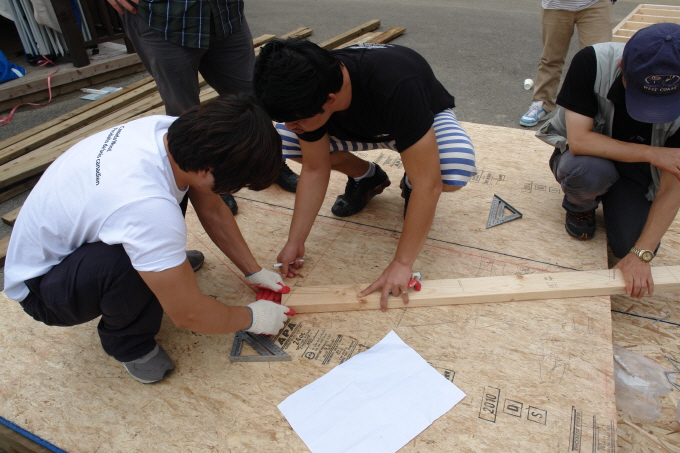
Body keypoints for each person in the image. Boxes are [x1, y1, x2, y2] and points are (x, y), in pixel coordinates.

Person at [4, 95, 293, 384]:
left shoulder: (171, 133)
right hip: (43, 290)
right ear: (208, 169)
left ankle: (162, 264)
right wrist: (250, 317)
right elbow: (188, 315)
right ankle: (130, 344)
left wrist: (252, 270)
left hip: (74, 247)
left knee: (163, 216)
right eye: (236, 184)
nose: (234, 190)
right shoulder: (146, 207)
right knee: (128, 258)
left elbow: (213, 209)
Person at [253, 39, 477, 309]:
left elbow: (429, 185)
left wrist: (402, 264)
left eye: (297, 120)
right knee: (284, 141)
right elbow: (314, 168)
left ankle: (411, 180)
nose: (292, 125)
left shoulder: (396, 83)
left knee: (451, 168)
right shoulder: (308, 88)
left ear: (330, 99)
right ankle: (366, 177)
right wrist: (295, 241)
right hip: (353, 125)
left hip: (415, 119)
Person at [106, 0, 299, 214]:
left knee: (252, 97)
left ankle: (269, 163)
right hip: (164, 19)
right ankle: (213, 182)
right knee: (183, 112)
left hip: (225, 13)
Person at [536, 22, 680, 299]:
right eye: (640, 95)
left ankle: (618, 199)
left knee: (630, 247)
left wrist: (641, 253)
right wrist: (654, 153)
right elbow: (580, 140)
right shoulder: (592, 62)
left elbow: (672, 186)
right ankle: (581, 205)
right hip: (592, 160)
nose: (648, 113)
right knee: (586, 171)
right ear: (621, 65)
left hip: (641, 174)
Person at [520, 0, 614, 127]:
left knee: (599, 61)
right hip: (555, 5)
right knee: (550, 58)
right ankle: (542, 103)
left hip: (595, 4)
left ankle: (599, 111)